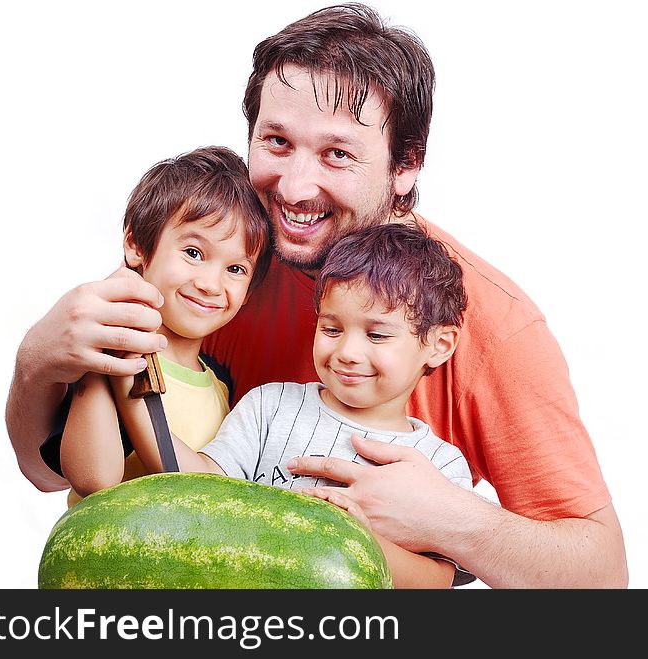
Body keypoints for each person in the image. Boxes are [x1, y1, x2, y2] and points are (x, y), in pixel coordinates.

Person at [6, 3, 628, 588]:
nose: (296, 188)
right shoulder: (222, 265)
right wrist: (38, 362)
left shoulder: (493, 325)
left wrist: (451, 522)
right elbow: (56, 474)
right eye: (277, 142)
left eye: (337, 153)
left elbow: (602, 576)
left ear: (407, 165)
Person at [117, 222, 475, 588]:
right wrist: (133, 396)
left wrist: (358, 539)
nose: (347, 353)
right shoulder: (268, 407)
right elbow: (198, 487)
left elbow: (437, 581)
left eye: (377, 334)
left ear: (439, 345)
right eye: (332, 329)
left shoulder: (440, 466)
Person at [59, 145, 270, 505]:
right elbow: (94, 478)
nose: (210, 284)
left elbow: (209, 495)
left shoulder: (222, 387)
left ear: (249, 291)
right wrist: (107, 363)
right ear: (136, 245)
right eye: (193, 253)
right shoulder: (103, 358)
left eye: (236, 269)